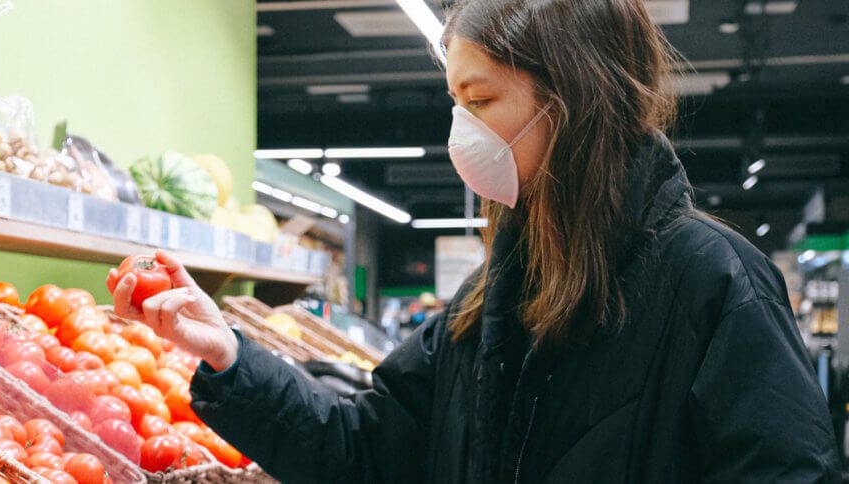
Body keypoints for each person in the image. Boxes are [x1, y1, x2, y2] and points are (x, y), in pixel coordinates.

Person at [109, 0, 839, 482]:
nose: (463, 130)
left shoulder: (714, 284)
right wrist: (228, 354)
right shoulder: (492, 296)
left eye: (483, 101)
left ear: (574, 99)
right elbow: (366, 451)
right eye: (457, 102)